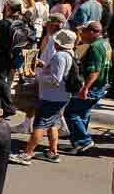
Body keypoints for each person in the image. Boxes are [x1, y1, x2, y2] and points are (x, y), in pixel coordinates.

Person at [14, 29, 74, 165]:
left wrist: (37, 75)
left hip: (51, 97)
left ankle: (27, 154)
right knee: (52, 124)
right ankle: (53, 152)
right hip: (60, 96)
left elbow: (55, 79)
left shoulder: (59, 56)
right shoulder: (69, 54)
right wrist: (45, 66)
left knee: (39, 124)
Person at [63, 20, 109, 153]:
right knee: (83, 113)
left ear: (92, 32)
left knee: (71, 113)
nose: (81, 34)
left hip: (93, 87)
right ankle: (78, 143)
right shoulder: (105, 44)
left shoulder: (95, 47)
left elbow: (95, 71)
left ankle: (84, 141)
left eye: (84, 31)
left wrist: (85, 88)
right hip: (100, 86)